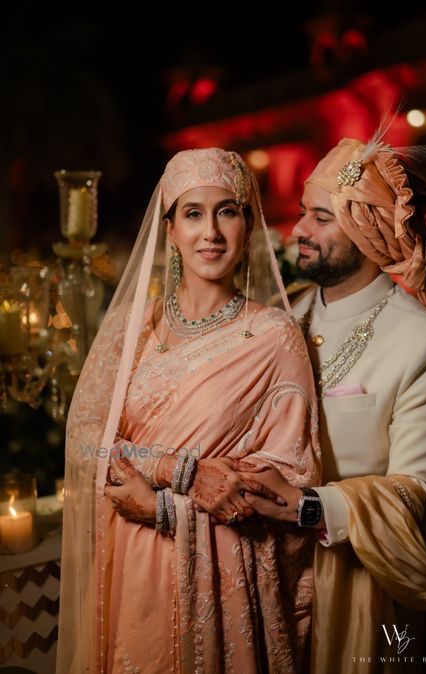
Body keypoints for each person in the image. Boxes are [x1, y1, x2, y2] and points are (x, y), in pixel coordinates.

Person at [56, 148, 321, 674]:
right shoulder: (136, 329)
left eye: (228, 211)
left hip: (219, 582)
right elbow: (84, 438)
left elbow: (286, 478)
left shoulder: (273, 336)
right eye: (194, 213)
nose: (212, 233)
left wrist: (161, 508)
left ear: (249, 224)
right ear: (170, 228)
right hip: (129, 564)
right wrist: (179, 470)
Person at [240, 134, 426, 673]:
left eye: (320, 218)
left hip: (361, 596)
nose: (298, 232)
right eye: (302, 214)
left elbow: (423, 492)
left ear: (370, 230)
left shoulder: (424, 340)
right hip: (264, 585)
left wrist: (304, 504)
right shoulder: (275, 322)